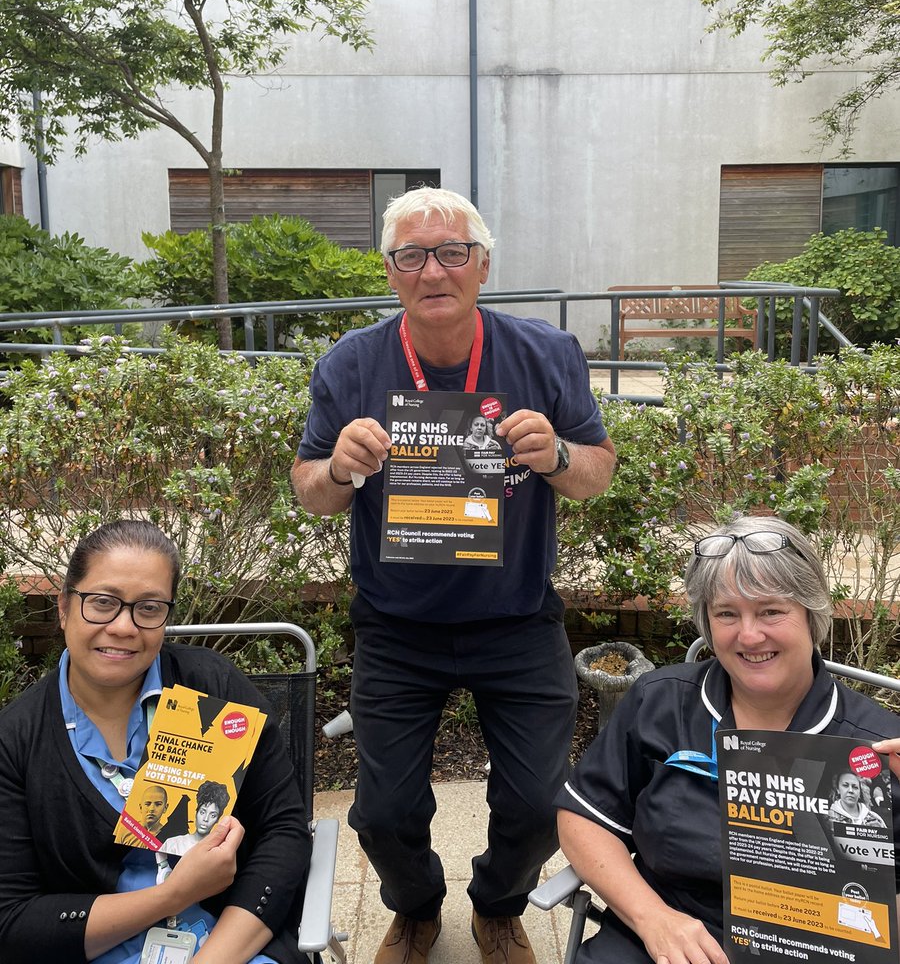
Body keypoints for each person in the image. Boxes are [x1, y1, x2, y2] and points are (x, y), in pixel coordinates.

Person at [291, 187, 616, 964]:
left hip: (518, 616)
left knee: (539, 804)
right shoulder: (351, 363)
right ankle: (415, 907)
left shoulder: (547, 354)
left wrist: (560, 456)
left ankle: (500, 906)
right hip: (397, 624)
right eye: (412, 255)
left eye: (451, 252)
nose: (433, 269)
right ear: (390, 271)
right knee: (382, 810)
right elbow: (310, 492)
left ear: (482, 264)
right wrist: (340, 467)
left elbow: (597, 472)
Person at [555, 514, 900, 964]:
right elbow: (585, 818)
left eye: (772, 610)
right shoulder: (662, 704)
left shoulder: (875, 748)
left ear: (811, 614)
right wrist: (651, 917)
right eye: (726, 614)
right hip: (668, 935)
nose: (750, 635)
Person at [0, 520, 311, 964]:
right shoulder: (15, 741)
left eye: (148, 608)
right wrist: (176, 894)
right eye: (103, 602)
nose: (124, 627)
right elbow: (12, 922)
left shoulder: (213, 687)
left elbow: (284, 830)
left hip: (231, 947)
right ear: (65, 607)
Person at [157, 781, 232, 883]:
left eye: (213, 815)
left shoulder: (219, 851)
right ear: (196, 812)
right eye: (202, 812)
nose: (206, 819)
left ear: (218, 819)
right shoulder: (173, 843)